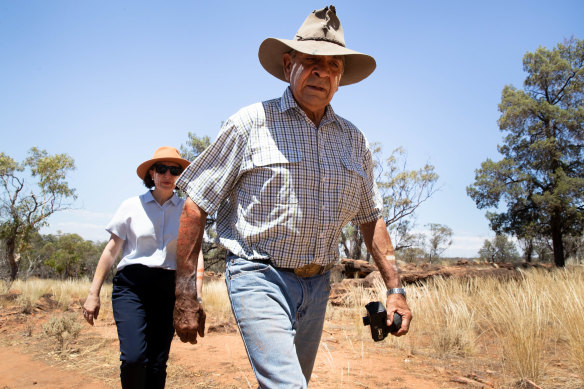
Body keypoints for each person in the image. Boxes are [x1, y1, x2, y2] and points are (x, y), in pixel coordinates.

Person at [173, 5, 412, 388]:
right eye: (311, 61)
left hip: (317, 285)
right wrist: (186, 292)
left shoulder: (354, 140)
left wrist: (395, 288)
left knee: (293, 381)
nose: (322, 72)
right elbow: (195, 204)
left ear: (340, 79)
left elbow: (372, 217)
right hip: (258, 276)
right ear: (288, 66)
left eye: (333, 65)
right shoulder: (250, 123)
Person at [82, 146, 205, 389]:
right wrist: (93, 294)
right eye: (161, 169)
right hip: (132, 287)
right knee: (134, 358)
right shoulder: (131, 206)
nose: (168, 175)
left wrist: (195, 297)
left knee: (158, 362)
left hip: (168, 289)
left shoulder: (188, 210)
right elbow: (111, 251)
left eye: (175, 170)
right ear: (151, 174)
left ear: (181, 176)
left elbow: (196, 254)